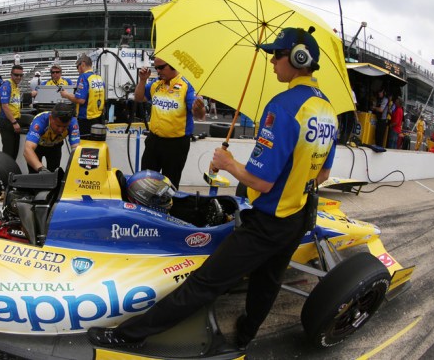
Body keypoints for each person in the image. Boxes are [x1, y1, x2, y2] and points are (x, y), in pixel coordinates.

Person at [88, 27, 338, 354]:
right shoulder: (328, 111)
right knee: (268, 284)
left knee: (205, 283)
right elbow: (323, 175)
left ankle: (129, 336)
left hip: (266, 220)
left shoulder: (284, 106)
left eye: (276, 55)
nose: (272, 61)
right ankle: (246, 334)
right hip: (297, 217)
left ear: (297, 58)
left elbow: (261, 182)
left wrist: (229, 163)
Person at [134, 57, 206, 188]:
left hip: (176, 145)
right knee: (145, 182)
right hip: (154, 141)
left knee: (170, 186)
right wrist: (142, 80)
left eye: (161, 67)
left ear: (173, 65)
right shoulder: (156, 83)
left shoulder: (186, 86)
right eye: (156, 68)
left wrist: (199, 107)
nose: (158, 71)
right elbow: (139, 98)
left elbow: (200, 116)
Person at [23, 103, 80, 173]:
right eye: (58, 125)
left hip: (55, 147)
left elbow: (76, 148)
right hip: (38, 146)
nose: (60, 130)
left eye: (65, 126)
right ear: (50, 118)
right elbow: (27, 150)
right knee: (35, 175)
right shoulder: (40, 121)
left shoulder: (73, 123)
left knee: (54, 175)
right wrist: (41, 169)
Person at [60, 54, 105, 136]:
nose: (77, 70)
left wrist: (66, 95)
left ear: (83, 64)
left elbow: (81, 100)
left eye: (77, 67)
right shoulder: (99, 78)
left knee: (85, 145)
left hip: (86, 119)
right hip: (98, 117)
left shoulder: (83, 77)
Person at [0, 65, 24, 160]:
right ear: (11, 74)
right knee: (8, 152)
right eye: (16, 75)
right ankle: (5, 173)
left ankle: (11, 172)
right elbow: (5, 106)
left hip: (14, 120)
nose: (19, 77)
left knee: (15, 151)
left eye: (21, 75)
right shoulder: (6, 86)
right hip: (7, 121)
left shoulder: (16, 87)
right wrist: (14, 122)